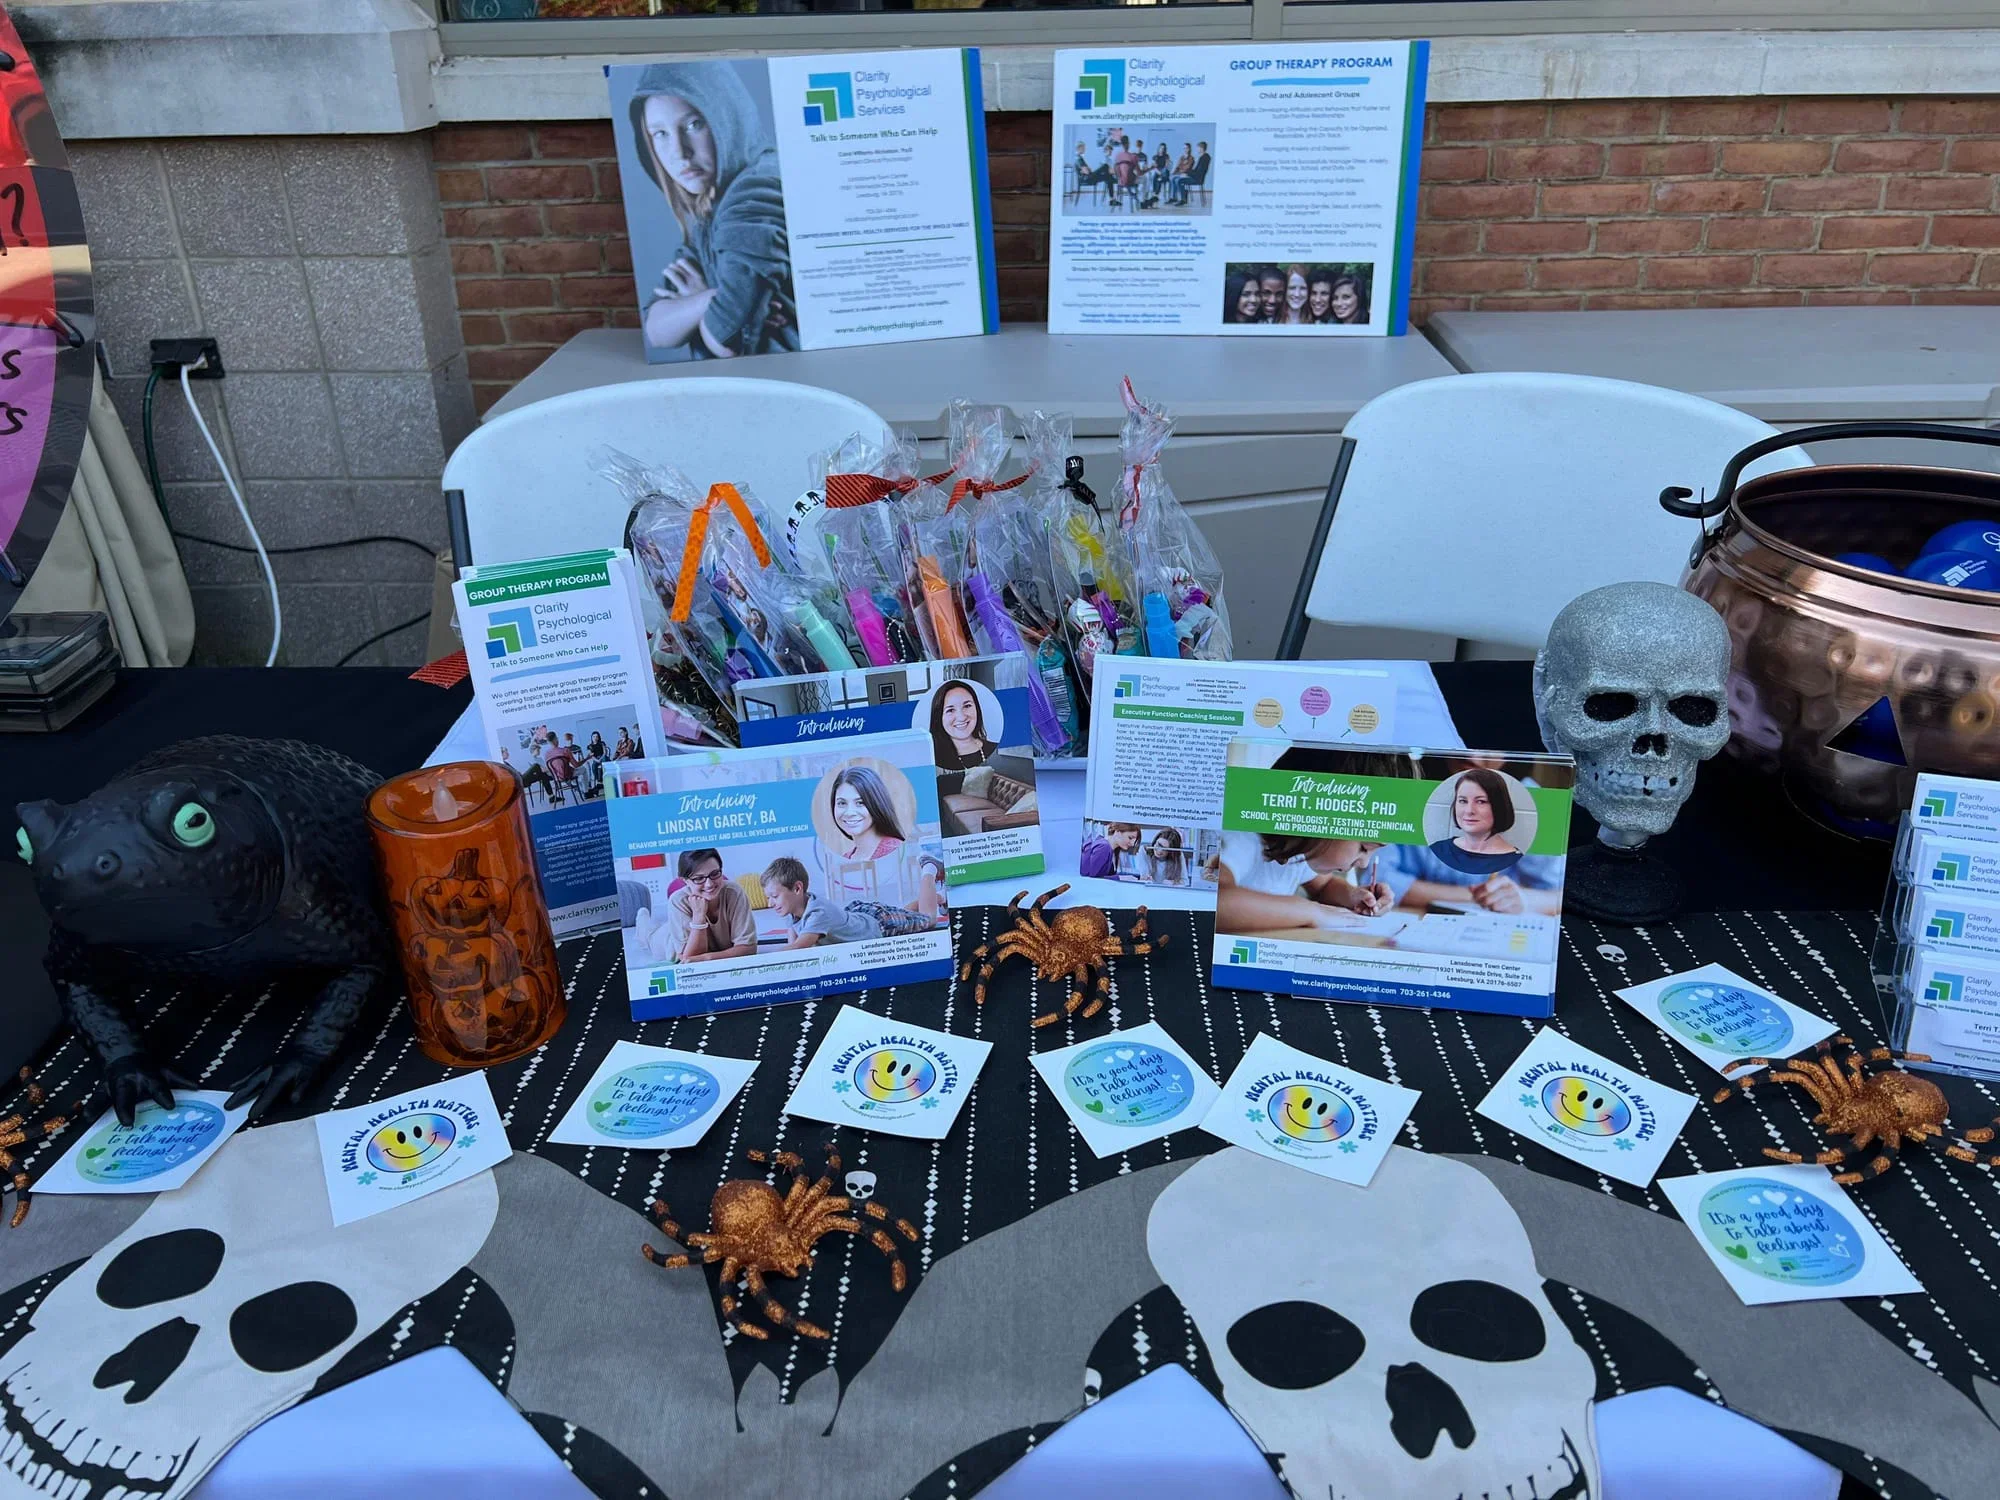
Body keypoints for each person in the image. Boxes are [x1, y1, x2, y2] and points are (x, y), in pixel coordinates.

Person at [627, 63, 796, 360]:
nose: (679, 152)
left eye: (693, 125)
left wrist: (694, 307)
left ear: (727, 117)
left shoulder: (753, 193)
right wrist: (709, 299)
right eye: (660, 134)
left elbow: (726, 339)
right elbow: (655, 329)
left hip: (782, 378)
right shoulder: (711, 204)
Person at [1215, 831, 1395, 935]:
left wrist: (1354, 896)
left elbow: (1324, 886)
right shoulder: (1244, 839)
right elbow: (1217, 901)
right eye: (1363, 848)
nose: (1364, 863)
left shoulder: (1300, 855)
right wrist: (1310, 911)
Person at [762, 855, 941, 947]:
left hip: (880, 925)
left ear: (797, 888)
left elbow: (800, 947)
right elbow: (793, 948)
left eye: (774, 897)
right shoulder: (793, 908)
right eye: (769, 898)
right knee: (903, 914)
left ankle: (929, 866)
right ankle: (938, 897)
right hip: (858, 916)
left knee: (929, 919)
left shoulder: (817, 913)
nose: (770, 904)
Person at [650, 847, 758, 963]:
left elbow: (749, 948)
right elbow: (688, 959)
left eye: (715, 873)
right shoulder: (678, 901)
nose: (709, 884)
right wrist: (698, 916)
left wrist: (707, 957)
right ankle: (644, 919)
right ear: (685, 880)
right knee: (649, 935)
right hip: (666, 940)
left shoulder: (734, 892)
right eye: (699, 878)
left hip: (685, 926)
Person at [1427, 767, 1523, 878]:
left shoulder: (1517, 861)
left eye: (1481, 801)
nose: (1469, 811)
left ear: (1499, 806)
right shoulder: (1437, 849)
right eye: (1463, 801)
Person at [826, 765, 907, 861]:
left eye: (860, 803)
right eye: (842, 803)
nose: (849, 813)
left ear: (876, 804)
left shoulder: (897, 852)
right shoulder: (844, 859)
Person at [930, 682, 997, 796]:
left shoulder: (992, 747)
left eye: (967, 706)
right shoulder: (934, 756)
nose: (961, 717)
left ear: (977, 709)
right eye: (950, 710)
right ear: (939, 717)